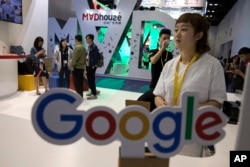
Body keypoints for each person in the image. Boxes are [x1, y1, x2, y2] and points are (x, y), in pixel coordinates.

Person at [153, 13, 227, 157]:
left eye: (184, 29)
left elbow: (217, 102)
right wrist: (162, 105)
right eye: (176, 29)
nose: (178, 34)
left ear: (198, 35)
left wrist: (188, 111)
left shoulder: (212, 65)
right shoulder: (169, 65)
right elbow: (158, 95)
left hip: (191, 132)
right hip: (165, 127)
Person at [137, 28, 173, 111]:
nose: (166, 41)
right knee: (151, 104)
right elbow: (153, 60)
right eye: (164, 38)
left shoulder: (169, 54)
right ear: (159, 39)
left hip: (166, 84)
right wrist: (162, 49)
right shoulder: (153, 51)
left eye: (168, 39)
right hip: (155, 84)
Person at [85, 34, 100, 100]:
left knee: (91, 79)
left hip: (92, 66)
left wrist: (94, 65)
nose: (86, 40)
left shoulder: (94, 47)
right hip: (88, 65)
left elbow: (96, 57)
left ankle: (94, 94)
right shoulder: (89, 47)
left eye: (87, 39)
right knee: (89, 79)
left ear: (91, 39)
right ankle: (92, 91)